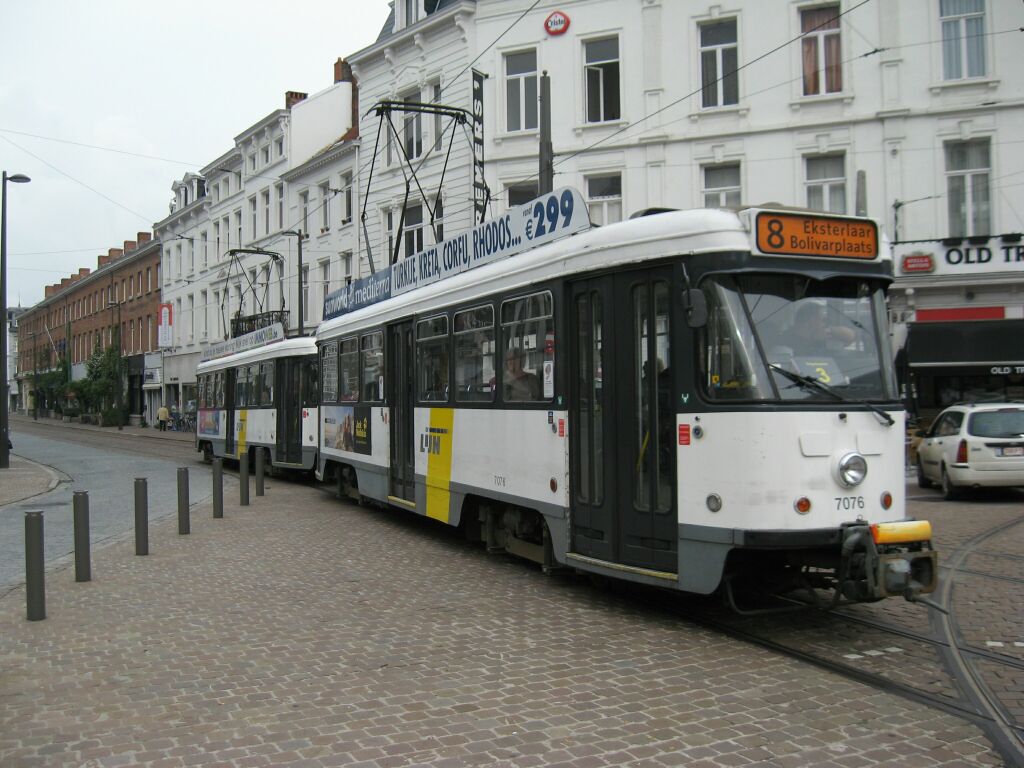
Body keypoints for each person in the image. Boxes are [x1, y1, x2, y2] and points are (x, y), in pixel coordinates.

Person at [789, 302, 856, 357]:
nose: (824, 324)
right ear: (811, 321)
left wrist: (830, 331)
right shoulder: (787, 340)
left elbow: (850, 337)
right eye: (822, 320)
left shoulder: (822, 339)